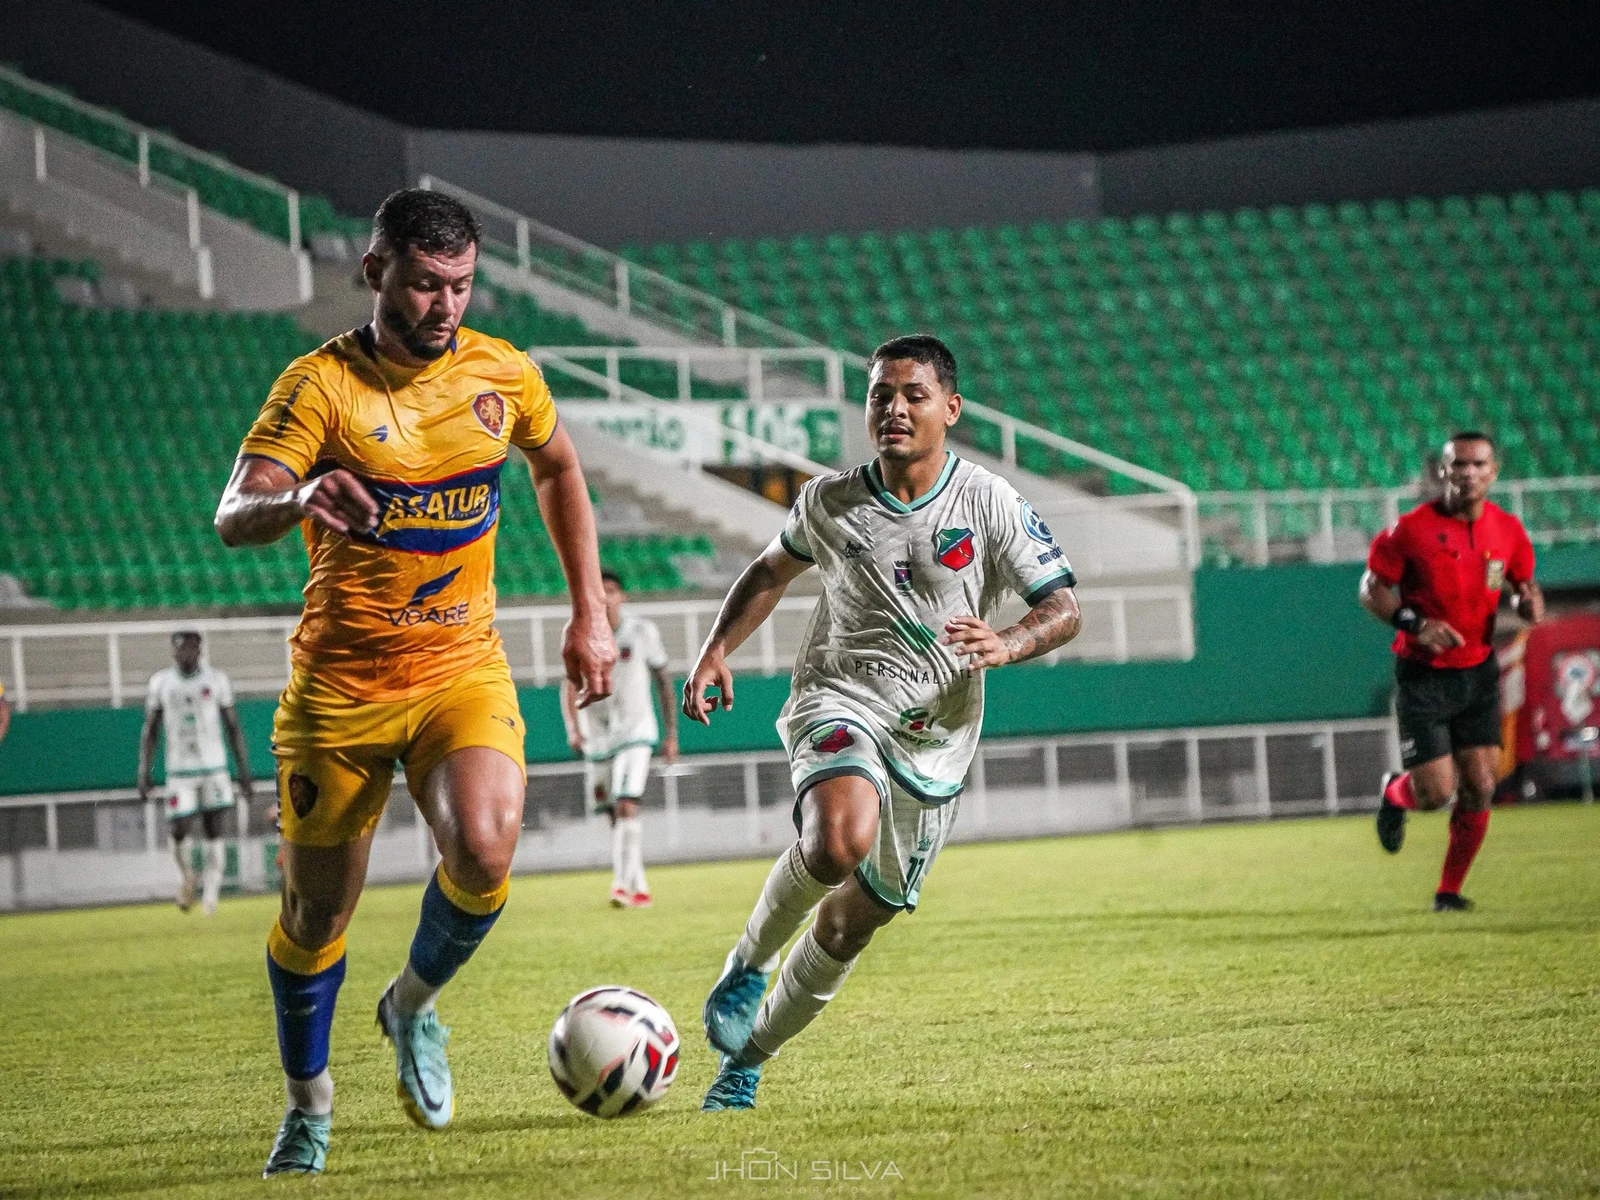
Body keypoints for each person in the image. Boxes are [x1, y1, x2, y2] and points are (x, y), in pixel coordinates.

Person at [214, 188, 614, 1176]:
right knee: (315, 918)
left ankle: (411, 1005)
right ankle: (310, 1106)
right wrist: (302, 495)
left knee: (484, 846)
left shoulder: (502, 373)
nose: (446, 305)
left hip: (458, 668)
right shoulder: (319, 387)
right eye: (428, 284)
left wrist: (589, 612)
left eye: (461, 285)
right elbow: (235, 512)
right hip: (340, 687)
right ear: (376, 271)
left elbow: (559, 469)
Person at [683, 334, 1082, 1111]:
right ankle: (748, 963)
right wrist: (714, 650)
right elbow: (768, 570)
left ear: (950, 409)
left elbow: (1064, 607)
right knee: (838, 840)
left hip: (935, 741)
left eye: (913, 395)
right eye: (880, 396)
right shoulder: (829, 500)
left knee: (847, 929)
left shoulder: (990, 503)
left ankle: (747, 1061)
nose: (894, 409)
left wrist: (1010, 642)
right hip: (839, 699)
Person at [1360, 432, 1543, 911]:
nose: (1468, 473)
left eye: (1478, 464)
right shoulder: (1410, 530)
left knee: (1481, 786)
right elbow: (1371, 589)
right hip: (1424, 676)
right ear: (1442, 471)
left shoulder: (1507, 530)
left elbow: (1525, 585)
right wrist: (1417, 625)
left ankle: (1448, 891)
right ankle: (1395, 792)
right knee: (1436, 793)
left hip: (1478, 673)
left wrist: (1530, 603)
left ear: (1493, 472)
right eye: (1458, 464)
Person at [560, 570, 678, 907]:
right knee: (614, 813)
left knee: (627, 803)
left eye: (612, 590)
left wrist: (671, 733)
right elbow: (569, 684)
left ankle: (620, 884)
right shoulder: (576, 632)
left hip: (636, 731)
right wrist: (572, 728)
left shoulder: (642, 632)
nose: (607, 597)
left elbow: (663, 681)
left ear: (622, 596)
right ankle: (638, 885)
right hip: (597, 736)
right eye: (601, 591)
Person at [136, 632, 255, 914]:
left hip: (214, 768)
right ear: (172, 651)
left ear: (199, 650)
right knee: (179, 828)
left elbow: (233, 727)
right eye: (179, 649)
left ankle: (210, 898)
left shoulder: (216, 680)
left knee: (215, 831)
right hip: (179, 771)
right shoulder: (161, 683)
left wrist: (244, 771)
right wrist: (144, 769)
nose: (184, 653)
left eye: (189, 648)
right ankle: (187, 876)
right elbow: (151, 729)